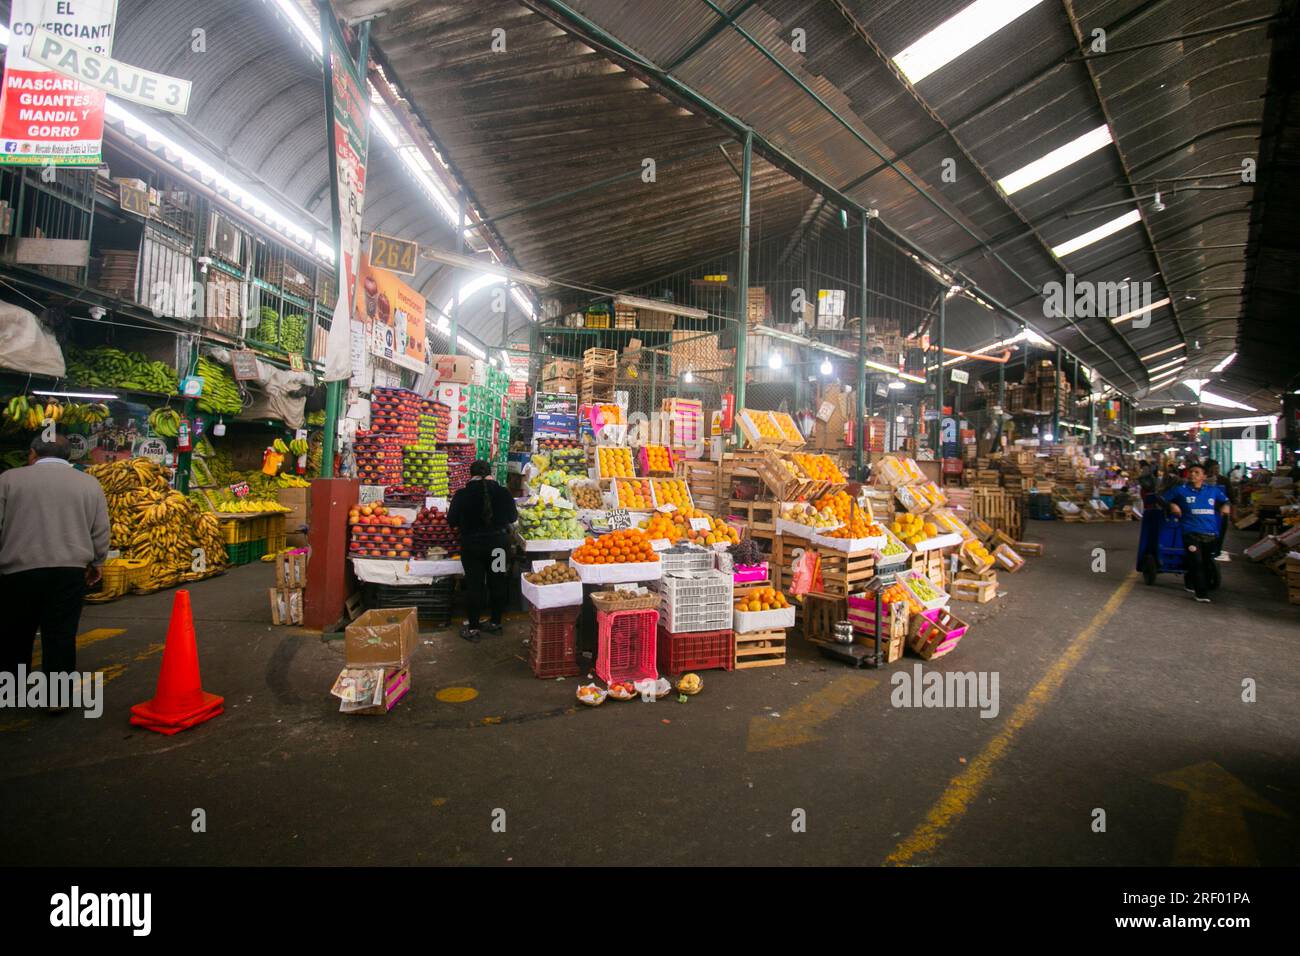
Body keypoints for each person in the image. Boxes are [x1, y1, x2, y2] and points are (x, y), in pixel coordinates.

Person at [0, 434, 110, 678]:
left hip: (18, 571)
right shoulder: (88, 483)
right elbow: (101, 528)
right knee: (61, 632)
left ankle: (11, 688)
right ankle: (56, 697)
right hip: (69, 572)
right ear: (68, 455)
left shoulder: (8, 480)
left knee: (15, 632)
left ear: (33, 453)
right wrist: (98, 561)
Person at [448, 460, 518, 642]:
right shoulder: (503, 493)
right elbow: (513, 517)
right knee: (498, 583)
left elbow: (452, 520)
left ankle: (472, 628)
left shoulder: (462, 495)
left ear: (471, 475)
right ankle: (495, 623)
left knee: (474, 586)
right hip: (499, 547)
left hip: (472, 548)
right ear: (489, 473)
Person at [1162, 464, 1230, 603]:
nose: (1193, 474)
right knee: (1197, 561)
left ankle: (1190, 581)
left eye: (1197, 472)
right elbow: (1161, 498)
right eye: (1191, 472)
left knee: (1204, 562)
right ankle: (1201, 593)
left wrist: (1226, 506)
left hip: (1210, 533)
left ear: (1204, 477)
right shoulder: (1180, 490)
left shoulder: (1213, 491)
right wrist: (1171, 505)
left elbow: (1226, 500)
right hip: (1190, 532)